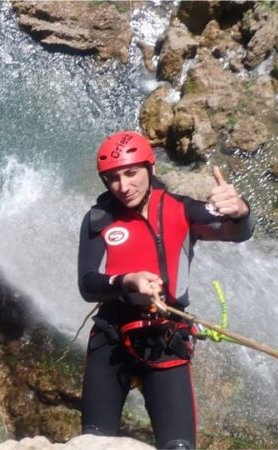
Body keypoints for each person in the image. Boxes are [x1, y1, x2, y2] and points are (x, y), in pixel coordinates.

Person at [77, 131, 254, 449]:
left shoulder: (181, 209)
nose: (123, 186)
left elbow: (234, 232)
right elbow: (88, 284)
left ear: (151, 168)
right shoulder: (99, 220)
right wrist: (127, 280)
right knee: (92, 443)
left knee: (178, 447)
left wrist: (240, 211)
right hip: (111, 338)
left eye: (131, 173)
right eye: (113, 178)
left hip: (165, 339)